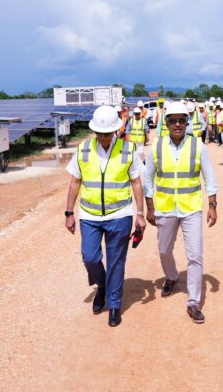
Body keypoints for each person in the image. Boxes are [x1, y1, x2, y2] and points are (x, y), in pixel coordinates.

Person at [63, 105, 146, 327]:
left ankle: (115, 303)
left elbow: (136, 182)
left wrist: (140, 213)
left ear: (116, 131)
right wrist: (69, 212)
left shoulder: (129, 150)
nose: (103, 138)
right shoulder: (82, 150)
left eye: (107, 134)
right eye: (99, 133)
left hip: (120, 214)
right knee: (90, 257)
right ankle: (101, 285)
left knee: (116, 260)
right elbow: (75, 181)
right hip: (89, 215)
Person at [143, 101, 218, 324]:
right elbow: (147, 178)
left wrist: (212, 204)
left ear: (188, 123)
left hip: (191, 207)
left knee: (195, 255)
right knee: (164, 250)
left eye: (181, 120)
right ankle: (172, 276)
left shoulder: (198, 146)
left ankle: (193, 301)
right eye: (173, 120)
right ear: (165, 123)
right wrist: (149, 207)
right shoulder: (156, 146)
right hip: (165, 207)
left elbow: (210, 177)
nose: (177, 124)